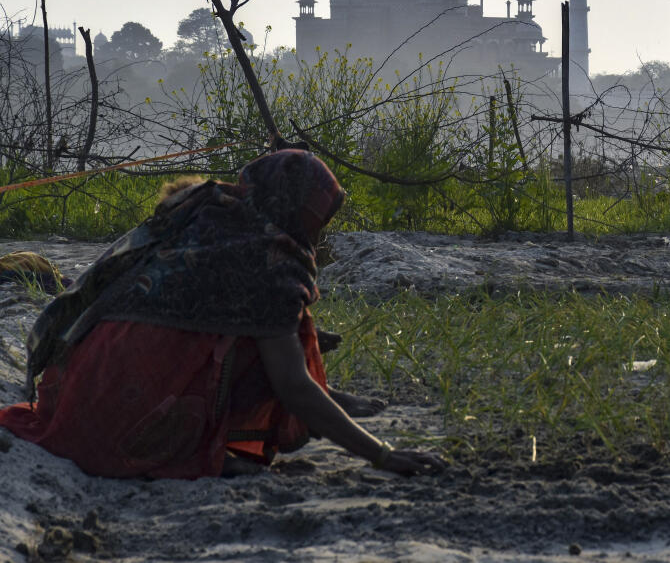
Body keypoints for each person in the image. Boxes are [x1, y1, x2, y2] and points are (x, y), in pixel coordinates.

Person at [0, 150, 445, 479]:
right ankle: (196, 452)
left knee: (286, 324)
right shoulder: (269, 262)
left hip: (78, 387)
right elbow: (294, 387)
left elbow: (200, 303)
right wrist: (384, 455)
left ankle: (310, 406)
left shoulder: (212, 212)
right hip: (122, 417)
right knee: (283, 330)